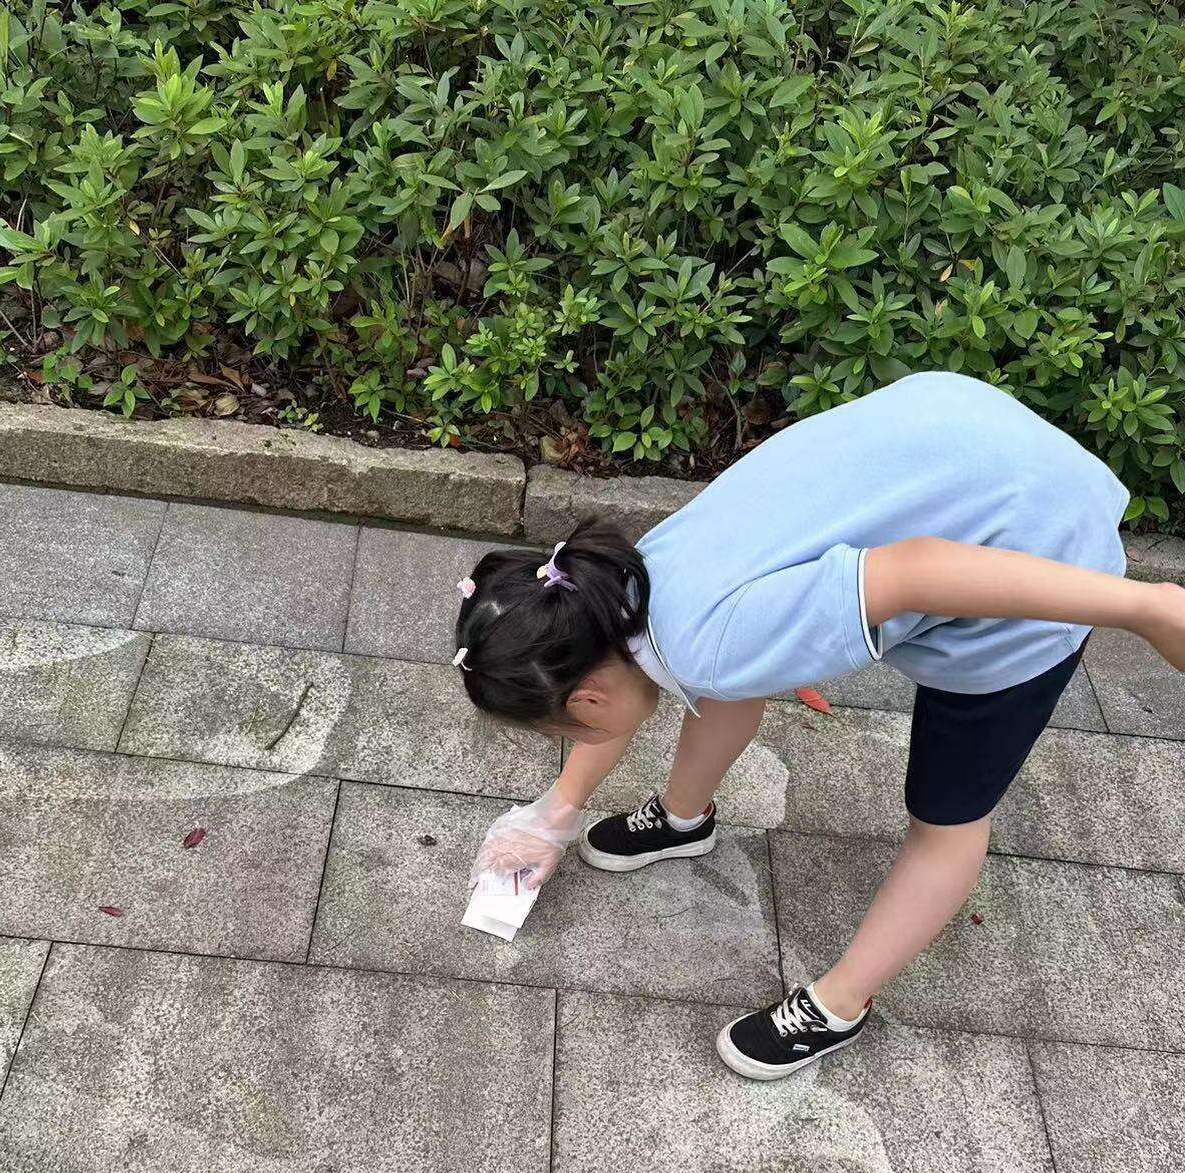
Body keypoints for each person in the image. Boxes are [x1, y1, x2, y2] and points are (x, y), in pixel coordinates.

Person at [454, 371, 1185, 1080]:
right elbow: (703, 680)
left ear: (586, 701)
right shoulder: (621, 582)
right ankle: (682, 819)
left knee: (948, 818)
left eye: (569, 735)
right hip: (957, 438)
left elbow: (917, 571)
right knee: (725, 676)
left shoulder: (709, 645)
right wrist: (554, 812)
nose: (578, 742)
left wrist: (1143, 608)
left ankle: (839, 1004)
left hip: (1031, 541)